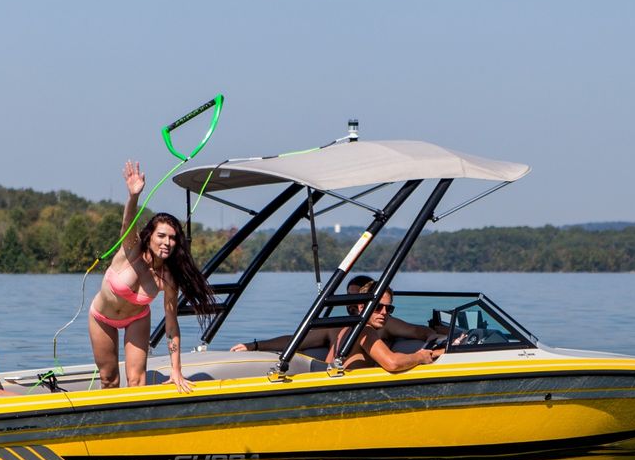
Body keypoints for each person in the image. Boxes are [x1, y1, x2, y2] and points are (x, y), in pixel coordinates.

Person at [89, 161, 214, 392]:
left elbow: (171, 324)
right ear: (150, 236)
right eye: (162, 236)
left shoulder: (168, 276)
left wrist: (176, 370)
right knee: (109, 379)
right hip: (102, 317)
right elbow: (128, 223)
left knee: (137, 381)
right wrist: (133, 196)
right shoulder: (131, 251)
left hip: (137, 319)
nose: (167, 242)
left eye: (173, 238)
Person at [230, 275, 447, 358]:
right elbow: (295, 340)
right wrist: (253, 346)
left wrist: (433, 339)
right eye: (348, 297)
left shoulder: (385, 322)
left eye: (387, 308)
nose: (350, 303)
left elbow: (419, 331)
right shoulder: (338, 327)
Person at [335, 286, 442, 372]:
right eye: (378, 307)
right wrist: (420, 357)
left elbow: (330, 363)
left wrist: (433, 345)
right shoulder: (365, 330)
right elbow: (392, 363)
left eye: (389, 308)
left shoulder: (350, 328)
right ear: (361, 307)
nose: (384, 312)